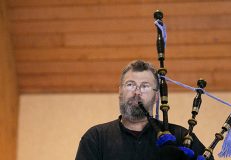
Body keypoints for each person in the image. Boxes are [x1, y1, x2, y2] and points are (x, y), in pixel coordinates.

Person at [75, 60, 212, 160]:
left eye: (145, 86)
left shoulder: (181, 136)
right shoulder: (96, 138)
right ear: (120, 91)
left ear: (157, 96)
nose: (137, 92)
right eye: (130, 85)